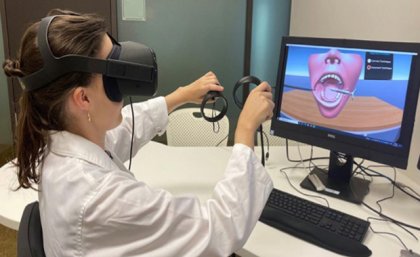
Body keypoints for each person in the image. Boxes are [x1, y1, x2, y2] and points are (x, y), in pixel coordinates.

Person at [3, 9, 274, 257]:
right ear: (82, 99)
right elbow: (221, 227)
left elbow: (125, 130)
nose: (125, 87)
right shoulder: (103, 198)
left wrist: (180, 96)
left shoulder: (58, 140)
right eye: (114, 77)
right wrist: (245, 131)